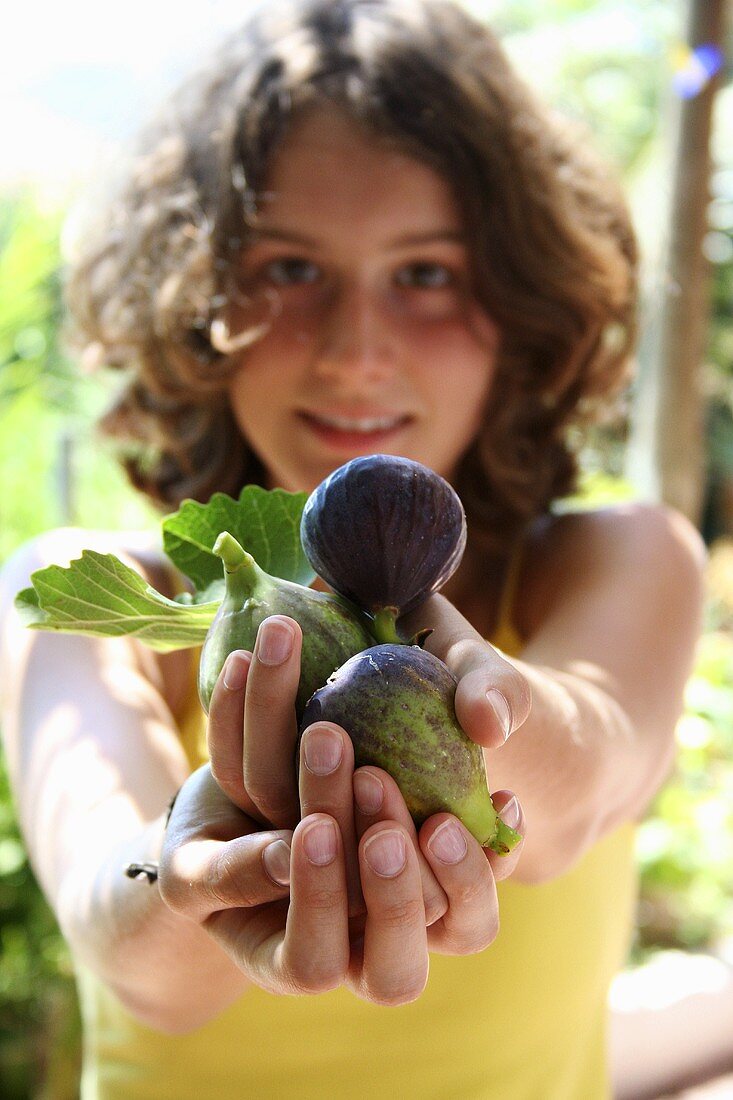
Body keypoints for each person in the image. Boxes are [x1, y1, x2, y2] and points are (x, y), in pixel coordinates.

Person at [0, 1, 705, 1097]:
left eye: (424, 272)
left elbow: (577, 791)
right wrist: (190, 875)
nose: (355, 351)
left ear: (520, 300)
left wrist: (478, 696)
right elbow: (127, 935)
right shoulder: (90, 600)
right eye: (289, 267)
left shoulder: (622, 556)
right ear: (197, 298)